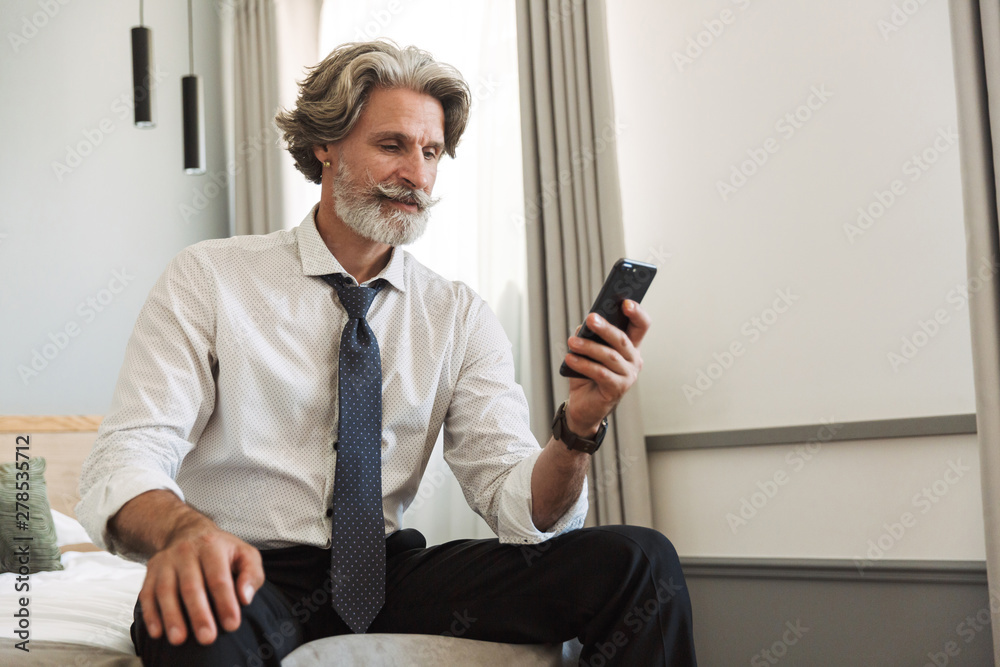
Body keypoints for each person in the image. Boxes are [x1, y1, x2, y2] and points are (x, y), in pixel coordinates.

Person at [77, 40, 697, 666]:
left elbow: (520, 512)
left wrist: (579, 427)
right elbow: (128, 456)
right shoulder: (209, 278)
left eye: (430, 152)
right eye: (392, 145)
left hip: (387, 576)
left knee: (641, 562)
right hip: (244, 568)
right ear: (326, 145)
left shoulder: (458, 315)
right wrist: (186, 533)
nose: (418, 176)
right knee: (198, 618)